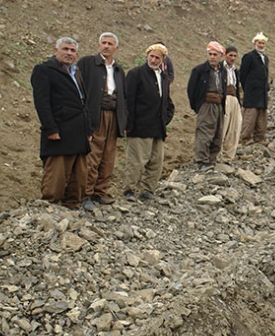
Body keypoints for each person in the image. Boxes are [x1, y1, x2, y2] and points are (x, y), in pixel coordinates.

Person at [31, 37, 91, 210]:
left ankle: (72, 209)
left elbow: (82, 102)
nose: (69, 53)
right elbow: (42, 102)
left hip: (79, 132)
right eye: (65, 49)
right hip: (59, 131)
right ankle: (50, 211)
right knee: (56, 176)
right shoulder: (44, 70)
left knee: (78, 177)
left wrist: (87, 129)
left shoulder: (76, 72)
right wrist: (50, 128)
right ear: (55, 50)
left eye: (72, 51)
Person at [77, 32, 127, 210]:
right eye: (103, 43)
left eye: (110, 44)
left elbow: (123, 96)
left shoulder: (119, 70)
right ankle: (85, 194)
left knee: (108, 156)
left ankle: (100, 192)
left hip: (113, 117)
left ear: (116, 48)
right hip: (95, 115)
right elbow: (79, 90)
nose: (106, 46)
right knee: (92, 156)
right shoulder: (87, 63)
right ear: (98, 45)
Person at [124, 43, 175, 201]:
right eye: (151, 56)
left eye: (157, 57)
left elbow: (167, 103)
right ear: (147, 56)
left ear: (163, 60)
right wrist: (129, 125)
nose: (153, 60)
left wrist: (165, 120)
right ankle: (129, 191)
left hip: (158, 128)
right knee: (137, 161)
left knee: (156, 162)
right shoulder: (136, 74)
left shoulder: (164, 77)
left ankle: (148, 191)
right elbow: (128, 101)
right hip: (139, 126)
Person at [187, 41, 227, 171]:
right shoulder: (199, 70)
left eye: (215, 54)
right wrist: (197, 106)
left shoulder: (222, 71)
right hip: (206, 104)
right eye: (210, 54)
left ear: (220, 56)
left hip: (218, 105)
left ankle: (212, 160)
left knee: (217, 133)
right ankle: (202, 161)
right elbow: (191, 90)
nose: (212, 57)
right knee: (204, 132)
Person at [239, 32, 270, 146]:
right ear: (254, 43)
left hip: (262, 92)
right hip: (252, 92)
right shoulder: (249, 57)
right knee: (250, 116)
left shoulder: (265, 58)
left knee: (262, 117)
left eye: (263, 43)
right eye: (259, 43)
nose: (261, 45)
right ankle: (245, 138)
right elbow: (243, 74)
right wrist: (247, 87)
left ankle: (259, 138)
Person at [218, 45, 242, 164]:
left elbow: (237, 87)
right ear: (225, 55)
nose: (232, 58)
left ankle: (228, 157)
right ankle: (217, 154)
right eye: (230, 55)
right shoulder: (219, 69)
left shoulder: (235, 71)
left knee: (234, 128)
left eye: (234, 56)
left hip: (234, 99)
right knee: (223, 127)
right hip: (224, 98)